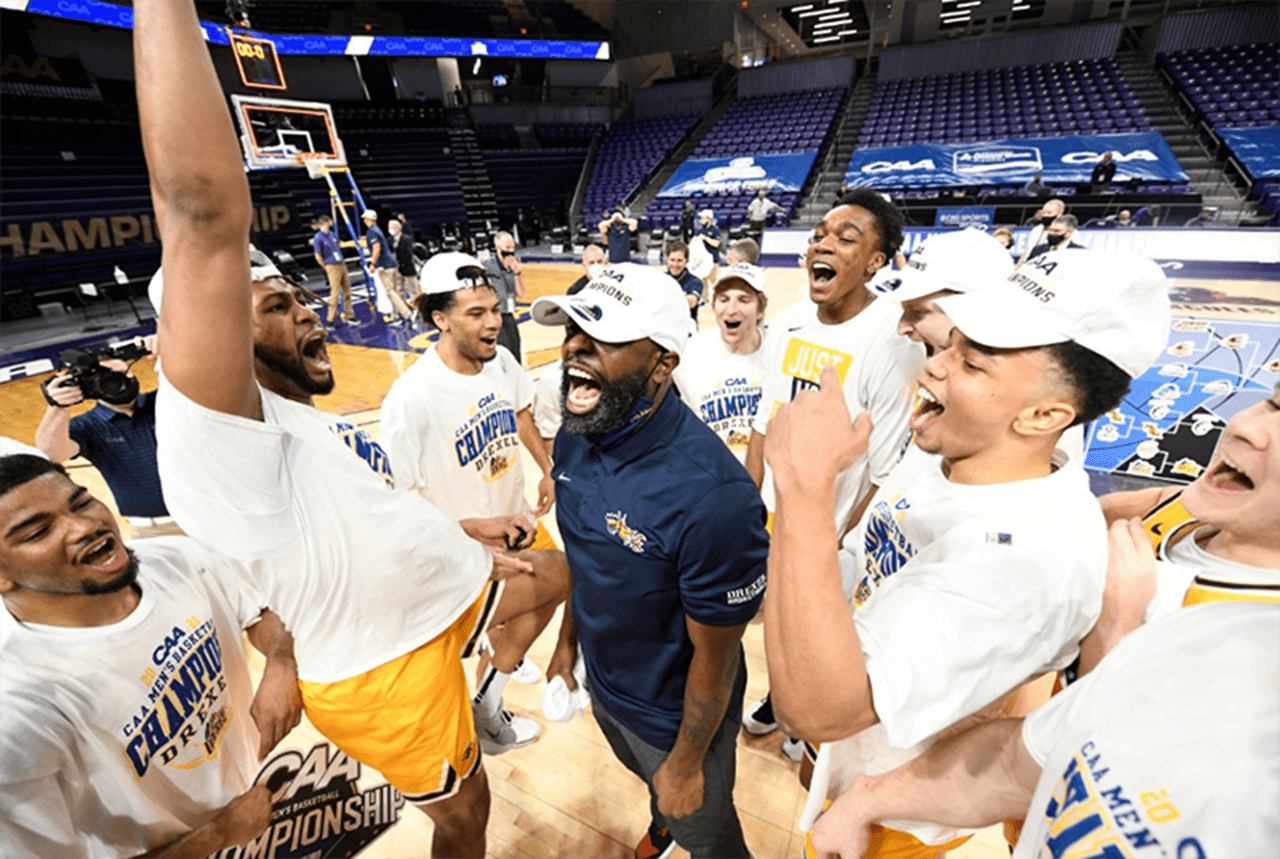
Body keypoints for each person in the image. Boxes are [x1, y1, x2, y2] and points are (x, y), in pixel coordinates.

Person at [135, 5, 568, 856]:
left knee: (565, 573)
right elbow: (200, 214)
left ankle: (487, 687)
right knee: (467, 815)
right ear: (212, 334)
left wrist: (459, 527)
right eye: (273, 307)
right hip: (384, 664)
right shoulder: (215, 435)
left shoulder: (296, 420)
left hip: (451, 585)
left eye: (301, 298)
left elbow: (357, 511)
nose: (307, 314)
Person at [764, 251, 1170, 858]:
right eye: (949, 344)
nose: (933, 369)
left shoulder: (1016, 568)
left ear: (1045, 415)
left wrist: (803, 485)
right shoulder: (972, 450)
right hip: (866, 747)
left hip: (898, 823)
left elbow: (818, 709)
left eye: (972, 363)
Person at [533, 264, 770, 859]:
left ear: (663, 364)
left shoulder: (715, 499)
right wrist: (567, 645)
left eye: (604, 336)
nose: (576, 347)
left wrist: (688, 763)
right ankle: (664, 816)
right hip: (607, 685)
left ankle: (679, 813)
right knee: (658, 791)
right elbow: (586, 560)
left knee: (711, 839)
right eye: (574, 329)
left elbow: (717, 659)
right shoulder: (578, 428)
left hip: (675, 717)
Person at [804, 601, 1280, 859]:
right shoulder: (1213, 629)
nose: (1246, 426)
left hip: (914, 781)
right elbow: (1021, 758)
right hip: (896, 770)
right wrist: (863, 800)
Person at [0, 454, 301, 858]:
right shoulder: (16, 709)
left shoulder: (176, 558)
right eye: (38, 531)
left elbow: (260, 607)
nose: (86, 527)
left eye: (81, 502)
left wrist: (282, 661)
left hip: (262, 810)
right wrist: (218, 834)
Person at [741, 190, 923, 763]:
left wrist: (837, 541)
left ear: (876, 261)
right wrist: (748, 505)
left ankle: (803, 717)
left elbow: (886, 465)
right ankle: (779, 694)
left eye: (847, 238)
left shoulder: (891, 341)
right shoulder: (791, 322)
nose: (824, 242)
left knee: (817, 633)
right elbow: (766, 424)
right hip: (776, 509)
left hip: (833, 524)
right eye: (820, 233)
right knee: (778, 617)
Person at [379, 252, 567, 753]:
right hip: (460, 548)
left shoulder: (501, 360)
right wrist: (468, 527)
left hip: (516, 518)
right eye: (475, 313)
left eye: (495, 308)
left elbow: (523, 414)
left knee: (558, 586)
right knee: (556, 583)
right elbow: (394, 506)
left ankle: (495, 673)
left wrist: (548, 467)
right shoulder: (411, 398)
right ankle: (488, 713)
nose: (493, 322)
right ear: (439, 319)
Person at [34, 341, 179, 539]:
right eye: (107, 378)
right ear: (89, 388)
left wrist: (174, 350)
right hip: (152, 530)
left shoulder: (166, 401)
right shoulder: (88, 426)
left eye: (122, 372)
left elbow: (213, 383)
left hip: (205, 516)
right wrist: (58, 406)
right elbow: (50, 454)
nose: (117, 382)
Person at [673, 262, 771, 465]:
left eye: (744, 300)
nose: (731, 310)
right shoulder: (689, 356)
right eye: (723, 299)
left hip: (769, 483)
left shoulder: (780, 353)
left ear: (761, 309)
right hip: (716, 480)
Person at [362, 208, 413, 324]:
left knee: (389, 291)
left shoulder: (371, 232)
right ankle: (395, 316)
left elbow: (376, 248)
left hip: (384, 266)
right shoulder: (377, 230)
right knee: (394, 291)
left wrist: (373, 263)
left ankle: (406, 314)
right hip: (391, 263)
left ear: (368, 219)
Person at [484, 231, 526, 363]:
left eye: (512, 247)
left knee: (515, 348)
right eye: (507, 248)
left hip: (508, 315)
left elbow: (521, 294)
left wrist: (517, 273)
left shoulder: (513, 265)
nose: (511, 251)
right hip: (494, 315)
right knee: (503, 351)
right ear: (498, 248)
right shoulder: (487, 266)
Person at [312, 215, 352, 325]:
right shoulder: (318, 237)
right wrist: (326, 267)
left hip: (341, 263)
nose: (332, 222)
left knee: (347, 291)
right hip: (332, 265)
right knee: (334, 294)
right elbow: (318, 256)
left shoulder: (333, 235)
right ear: (326, 222)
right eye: (330, 221)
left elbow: (340, 244)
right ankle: (330, 320)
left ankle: (350, 315)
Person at [666, 239, 704, 321]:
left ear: (686, 261)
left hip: (687, 329)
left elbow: (691, 302)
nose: (675, 264)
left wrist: (663, 298)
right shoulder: (660, 279)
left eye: (679, 261)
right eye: (672, 260)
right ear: (667, 260)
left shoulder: (695, 282)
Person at [1017, 198, 1065, 264]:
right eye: (1044, 212)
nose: (1045, 215)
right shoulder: (1036, 229)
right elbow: (1027, 251)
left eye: (1049, 213)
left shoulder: (1067, 232)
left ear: (1060, 214)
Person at [389, 217, 419, 301]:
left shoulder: (407, 239)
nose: (390, 230)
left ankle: (417, 308)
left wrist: (402, 264)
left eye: (391, 228)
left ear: (397, 229)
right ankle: (404, 310)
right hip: (397, 269)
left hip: (407, 267)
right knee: (399, 290)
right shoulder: (390, 240)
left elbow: (408, 254)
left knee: (413, 290)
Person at [693, 209, 722, 285]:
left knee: (714, 283)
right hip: (703, 261)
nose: (701, 220)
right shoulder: (701, 230)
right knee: (703, 283)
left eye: (702, 218)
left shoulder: (715, 230)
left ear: (708, 219)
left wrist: (705, 238)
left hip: (713, 260)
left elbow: (716, 243)